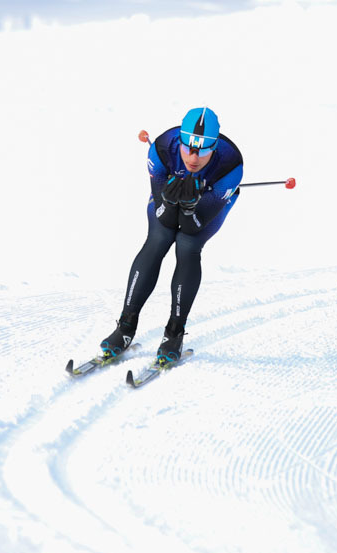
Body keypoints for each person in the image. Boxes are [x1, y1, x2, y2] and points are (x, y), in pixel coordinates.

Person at [100, 107, 244, 365]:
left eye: (203, 151)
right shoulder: (161, 149)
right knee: (158, 239)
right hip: (168, 198)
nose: (194, 157)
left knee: (187, 245)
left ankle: (174, 333)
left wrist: (189, 208)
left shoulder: (230, 165)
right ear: (180, 139)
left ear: (215, 146)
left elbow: (194, 226)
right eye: (188, 148)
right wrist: (169, 200)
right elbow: (164, 216)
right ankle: (125, 327)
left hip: (206, 207)